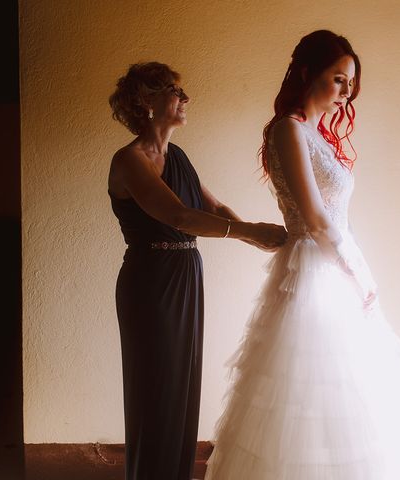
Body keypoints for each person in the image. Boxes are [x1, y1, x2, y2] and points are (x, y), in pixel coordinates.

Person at [204, 31, 400, 479]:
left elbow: (334, 219)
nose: (346, 91)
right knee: (310, 393)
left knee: (351, 393)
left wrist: (356, 269)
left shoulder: (313, 132)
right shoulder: (289, 129)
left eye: (350, 82)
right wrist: (355, 272)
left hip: (335, 262)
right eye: (338, 79)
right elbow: (314, 217)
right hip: (315, 269)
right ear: (307, 72)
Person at [107, 62, 287, 480]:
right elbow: (180, 216)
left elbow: (214, 208)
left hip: (187, 274)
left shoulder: (179, 156)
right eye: (174, 90)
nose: (185, 98)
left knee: (183, 385)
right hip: (150, 281)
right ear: (145, 101)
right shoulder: (130, 160)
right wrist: (248, 231)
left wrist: (254, 235)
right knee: (156, 386)